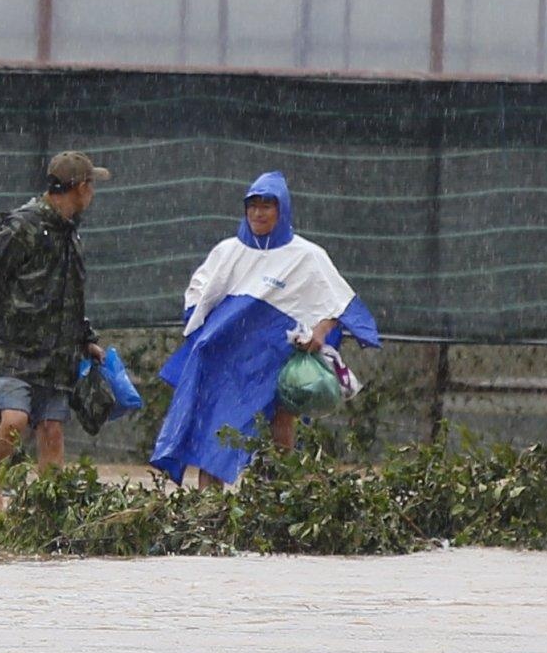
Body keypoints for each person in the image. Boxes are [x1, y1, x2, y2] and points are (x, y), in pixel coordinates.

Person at [148, 171, 380, 485]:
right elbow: (197, 298)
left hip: (275, 363)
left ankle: (276, 499)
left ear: (282, 210)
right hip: (228, 366)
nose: (258, 213)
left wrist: (319, 333)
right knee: (216, 437)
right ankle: (209, 510)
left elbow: (338, 304)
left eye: (267, 206)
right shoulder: (227, 252)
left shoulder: (307, 257)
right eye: (253, 205)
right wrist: (205, 330)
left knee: (279, 428)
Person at [0, 150, 104, 513]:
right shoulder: (22, 227)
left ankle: (50, 505)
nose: (93, 193)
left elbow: (69, 295)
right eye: (91, 185)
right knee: (15, 419)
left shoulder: (70, 236)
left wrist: (86, 338)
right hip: (13, 347)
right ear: (80, 187)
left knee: (52, 428)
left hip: (56, 352)